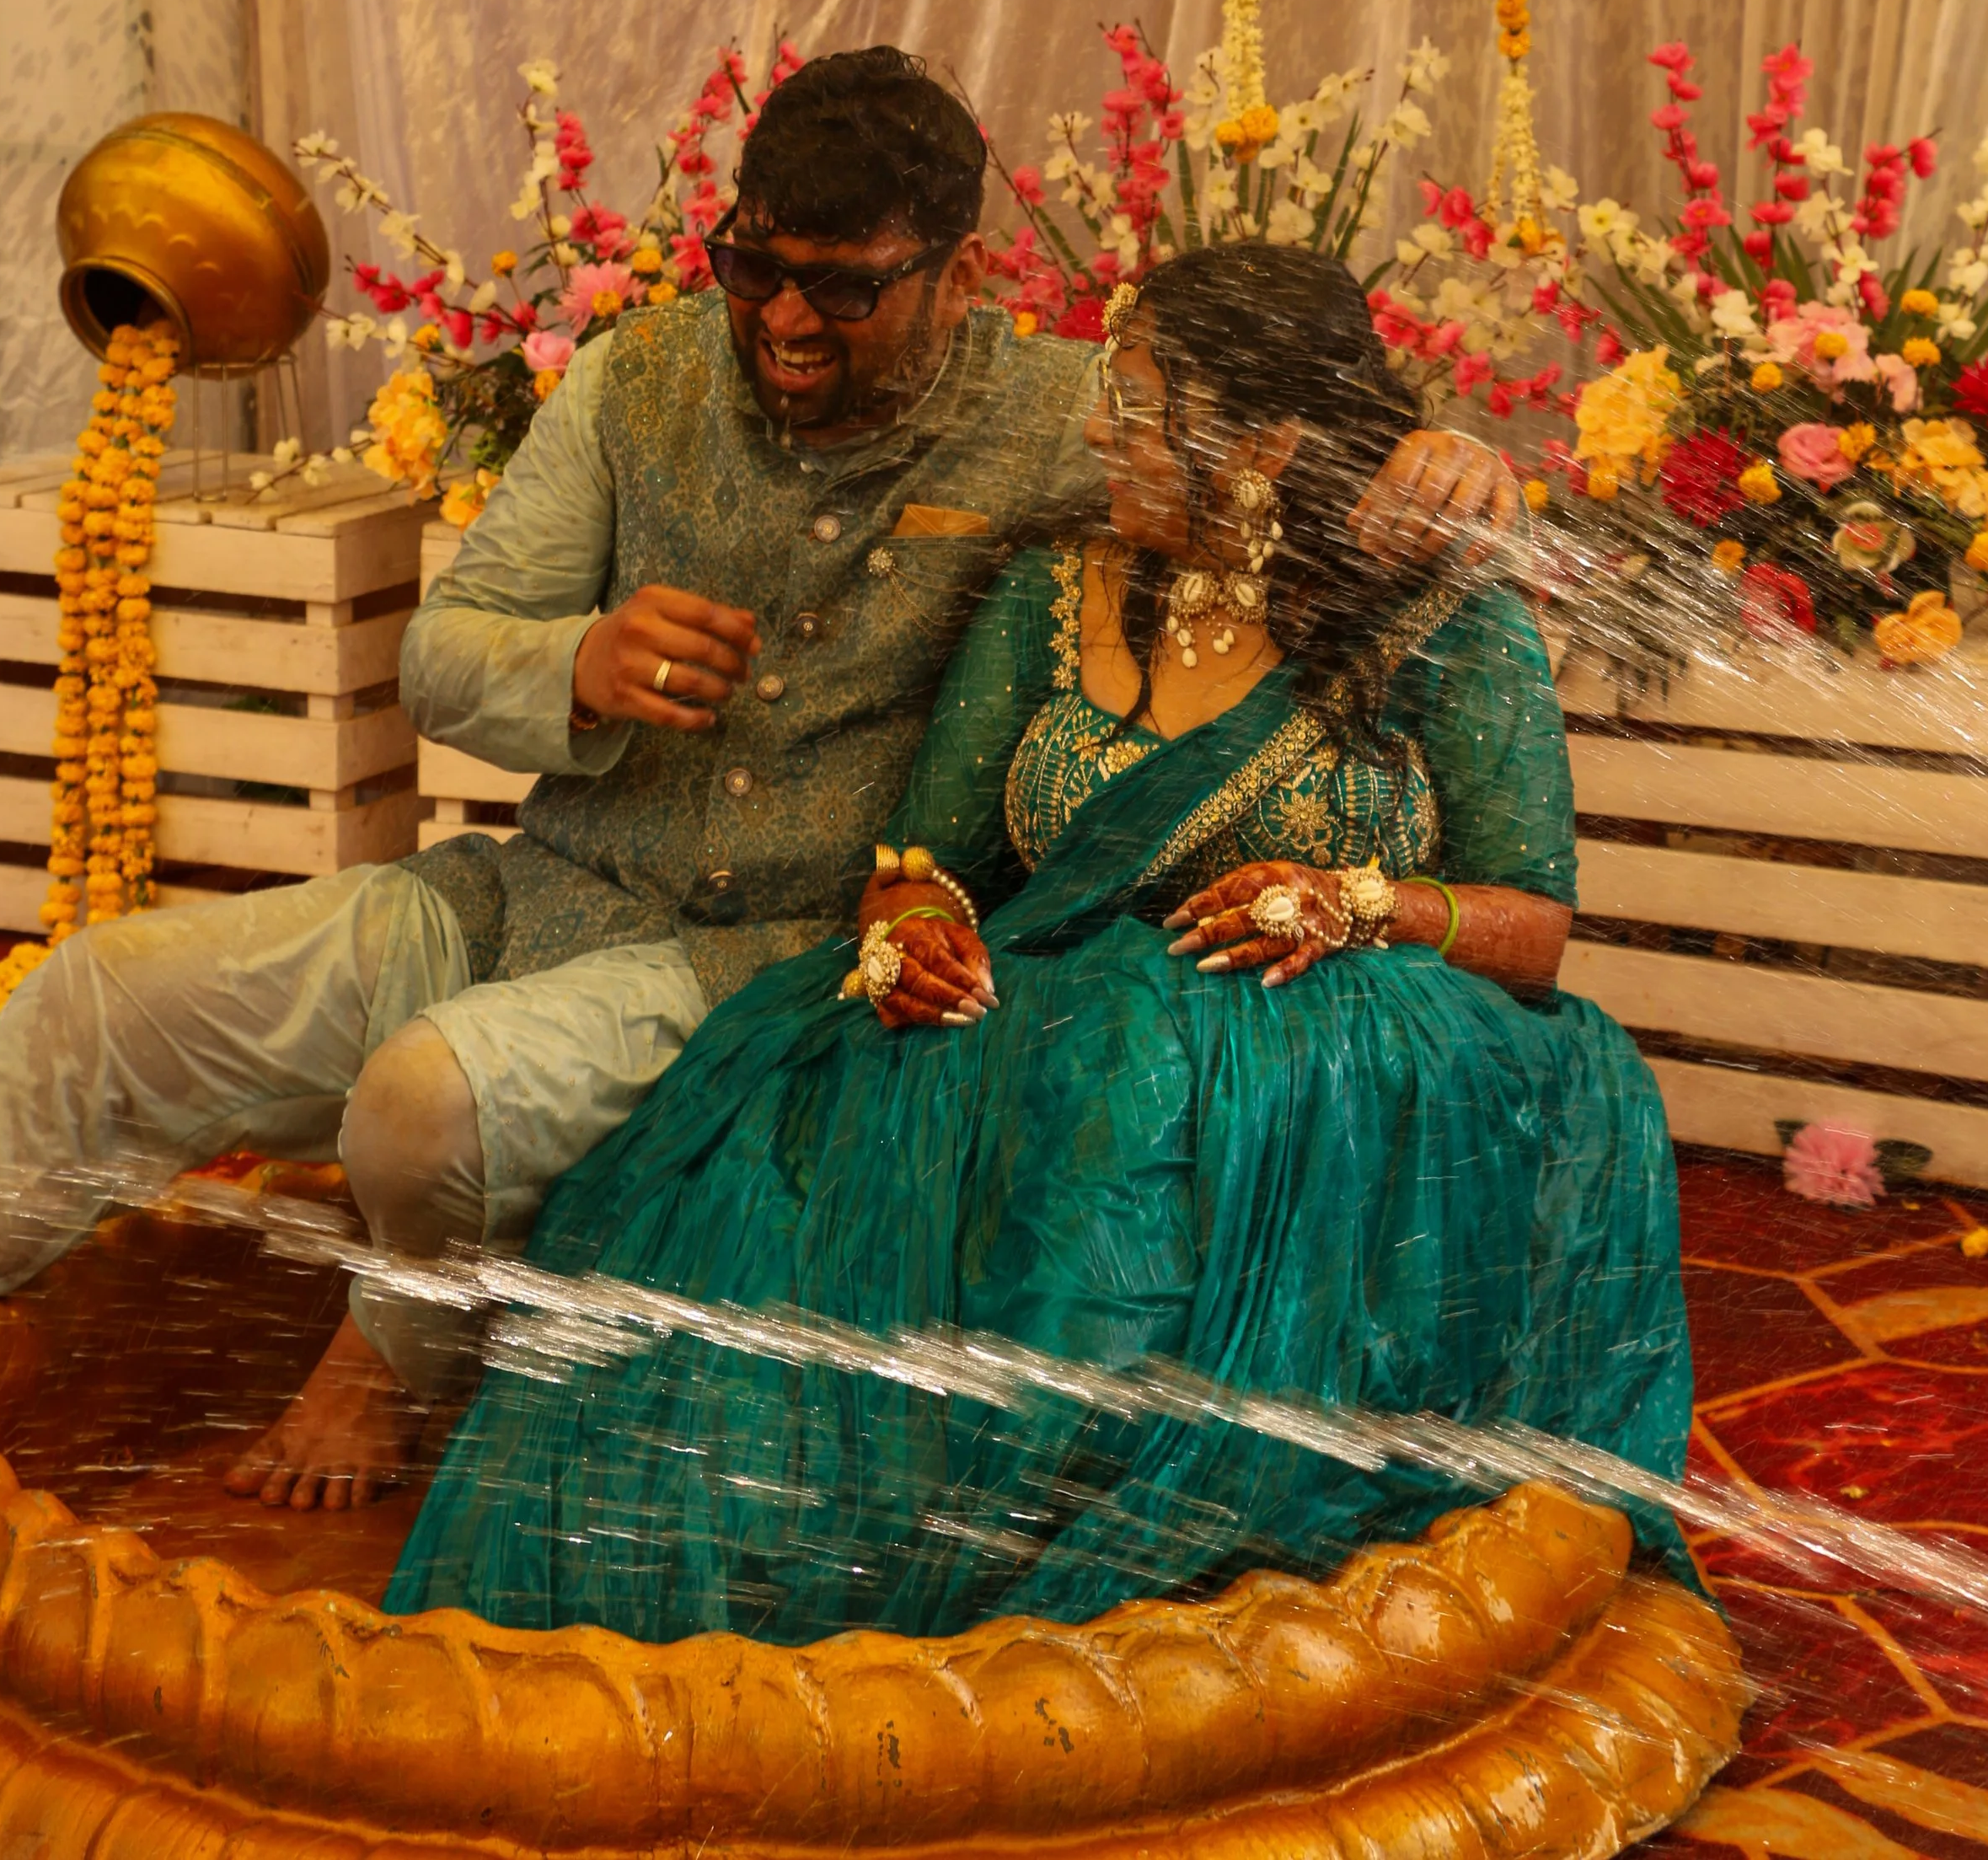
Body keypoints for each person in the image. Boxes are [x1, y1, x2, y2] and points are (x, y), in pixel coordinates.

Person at [0, 51, 1511, 1512]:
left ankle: (400, 1356)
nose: (787, 322)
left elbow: (1283, 449)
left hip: (756, 964)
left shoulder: (1054, 421)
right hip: (520, 892)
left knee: (419, 1108)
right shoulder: (637, 379)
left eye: (847, 288)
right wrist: (575, 664)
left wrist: (1455, 450)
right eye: (755, 268)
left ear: (967, 273)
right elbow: (442, 653)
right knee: (96, 994)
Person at [390, 244, 1691, 1644]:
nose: (1094, 431)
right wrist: (914, 928)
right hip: (1048, 1027)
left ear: (1264, 440)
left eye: (1135, 409)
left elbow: (1534, 928)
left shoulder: (1440, 613)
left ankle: (1055, 1565)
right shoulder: (1050, 599)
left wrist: (1351, 902)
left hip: (1325, 1054)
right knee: (796, 1144)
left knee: (1127, 1082)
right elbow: (927, 856)